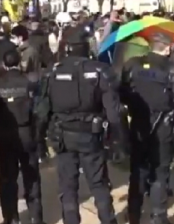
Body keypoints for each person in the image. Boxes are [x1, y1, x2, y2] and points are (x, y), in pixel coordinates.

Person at [35, 26, 126, 224]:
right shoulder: (101, 71)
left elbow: (42, 111)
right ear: (86, 48)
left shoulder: (52, 73)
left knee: (68, 188)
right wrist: (118, 140)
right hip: (90, 137)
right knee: (99, 185)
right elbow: (114, 111)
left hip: (63, 137)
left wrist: (39, 141)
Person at [119, 33, 174, 224]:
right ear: (167, 48)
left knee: (138, 170)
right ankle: (159, 217)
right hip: (163, 126)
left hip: (138, 124)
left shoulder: (132, 64)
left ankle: (134, 214)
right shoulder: (171, 67)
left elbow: (122, 93)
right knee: (160, 171)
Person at [0, 48, 44, 224]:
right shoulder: (30, 82)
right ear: (20, 63)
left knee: (7, 178)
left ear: (4, 64)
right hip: (26, 133)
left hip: (4, 135)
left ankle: (10, 218)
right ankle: (36, 217)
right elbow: (39, 109)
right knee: (31, 175)